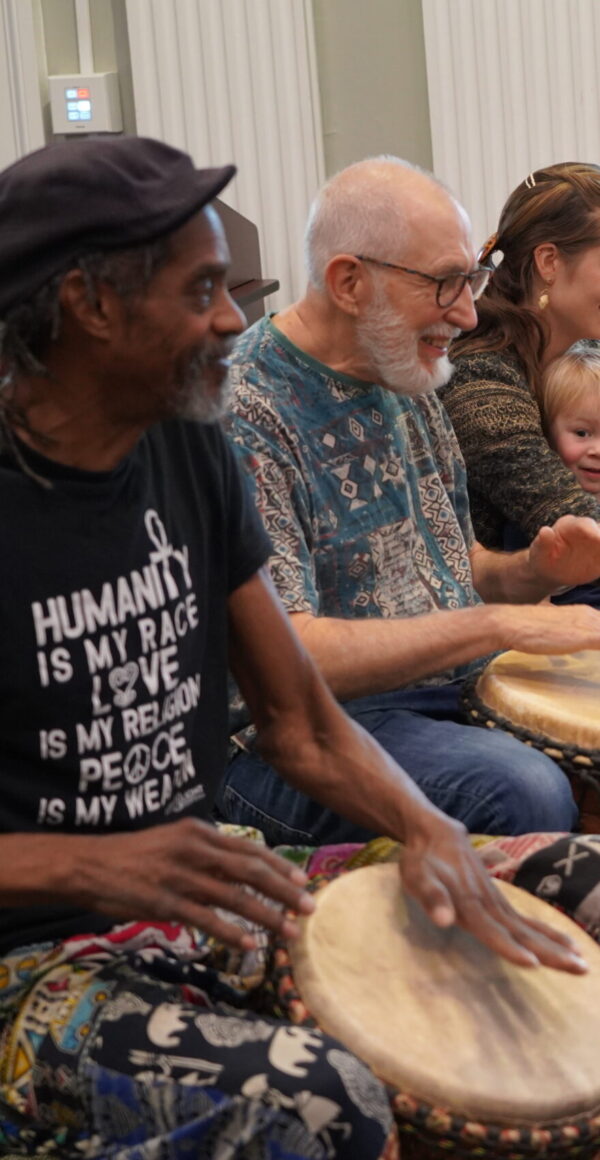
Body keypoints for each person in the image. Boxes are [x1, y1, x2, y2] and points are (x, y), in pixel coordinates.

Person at [1, 137, 585, 1160]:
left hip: (229, 889)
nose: (233, 317)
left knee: (577, 874)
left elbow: (302, 721)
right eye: (201, 291)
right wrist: (93, 858)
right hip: (31, 962)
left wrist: (430, 832)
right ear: (91, 305)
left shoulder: (186, 449)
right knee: (323, 1102)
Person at [219, 155, 600, 846]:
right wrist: (499, 626)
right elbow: (291, 650)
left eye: (471, 280)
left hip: (436, 694)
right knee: (522, 788)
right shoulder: (247, 409)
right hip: (294, 737)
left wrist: (535, 572)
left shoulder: (407, 373)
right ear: (348, 282)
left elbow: (459, 564)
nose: (467, 311)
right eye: (446, 284)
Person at [440, 162, 600, 553]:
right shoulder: (478, 379)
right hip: (505, 603)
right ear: (549, 262)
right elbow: (571, 518)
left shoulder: (586, 352)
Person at [503, 341, 600, 607]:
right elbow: (532, 599)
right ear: (547, 437)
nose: (597, 450)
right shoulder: (539, 512)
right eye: (582, 433)